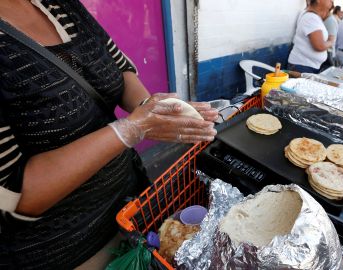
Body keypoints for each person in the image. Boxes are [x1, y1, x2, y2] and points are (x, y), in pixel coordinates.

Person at [0, 0, 218, 269]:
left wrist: (153, 112)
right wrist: (130, 129)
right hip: (71, 250)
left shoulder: (59, 4)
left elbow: (117, 67)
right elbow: (14, 197)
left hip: (130, 210)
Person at [288, 0, 335, 74]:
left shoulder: (314, 16)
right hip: (302, 67)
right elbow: (319, 46)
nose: (331, 1)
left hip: (306, 66)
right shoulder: (311, 18)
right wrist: (331, 41)